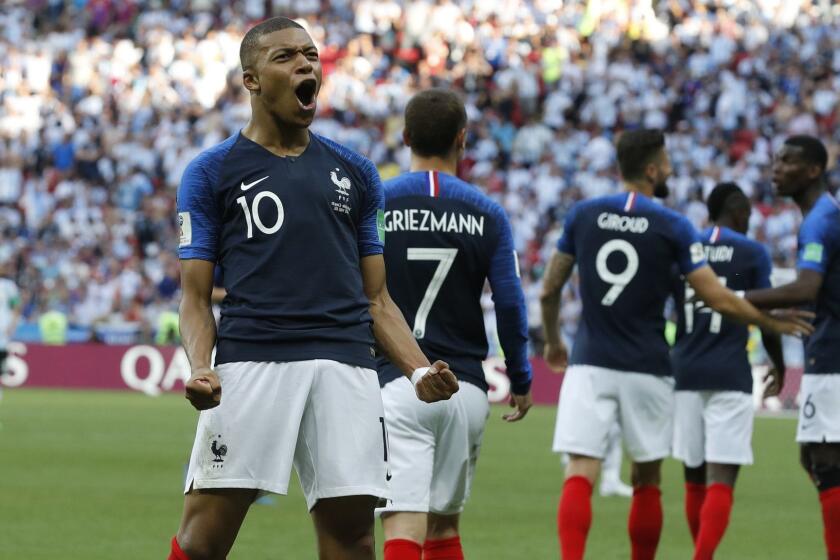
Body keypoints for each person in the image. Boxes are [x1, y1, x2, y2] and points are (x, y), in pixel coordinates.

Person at [169, 18, 458, 560]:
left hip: (347, 366)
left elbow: (376, 299)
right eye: (285, 57)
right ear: (251, 80)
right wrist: (200, 366)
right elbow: (195, 297)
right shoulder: (210, 172)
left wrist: (417, 369)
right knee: (203, 540)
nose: (305, 64)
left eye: (310, 55)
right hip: (253, 362)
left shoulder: (357, 172)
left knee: (352, 541)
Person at [539, 129, 813, 560]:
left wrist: (554, 340)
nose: (669, 169)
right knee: (647, 478)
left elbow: (548, 289)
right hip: (648, 366)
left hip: (590, 361)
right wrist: (768, 321)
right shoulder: (674, 226)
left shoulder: (583, 214)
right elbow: (718, 297)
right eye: (665, 162)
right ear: (652, 169)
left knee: (580, 471)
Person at [375, 89, 533, 560]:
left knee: (402, 519)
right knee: (444, 528)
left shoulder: (378, 203)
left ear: (404, 137)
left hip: (397, 380)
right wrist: (521, 379)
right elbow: (509, 303)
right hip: (463, 386)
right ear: (462, 140)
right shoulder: (488, 213)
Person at [671, 182, 786, 559]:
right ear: (738, 212)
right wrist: (779, 363)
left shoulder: (686, 246)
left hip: (685, 371)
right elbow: (764, 315)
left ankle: (698, 553)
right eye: (749, 216)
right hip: (729, 372)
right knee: (722, 478)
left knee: (693, 476)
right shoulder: (752, 252)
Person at [744, 135, 840, 560]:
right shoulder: (823, 216)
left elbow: (806, 287)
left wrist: (735, 296)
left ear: (814, 170)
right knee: (813, 458)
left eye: (787, 161)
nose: (776, 168)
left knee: (823, 461)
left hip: (832, 358)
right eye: (776, 159)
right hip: (828, 353)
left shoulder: (820, 220)